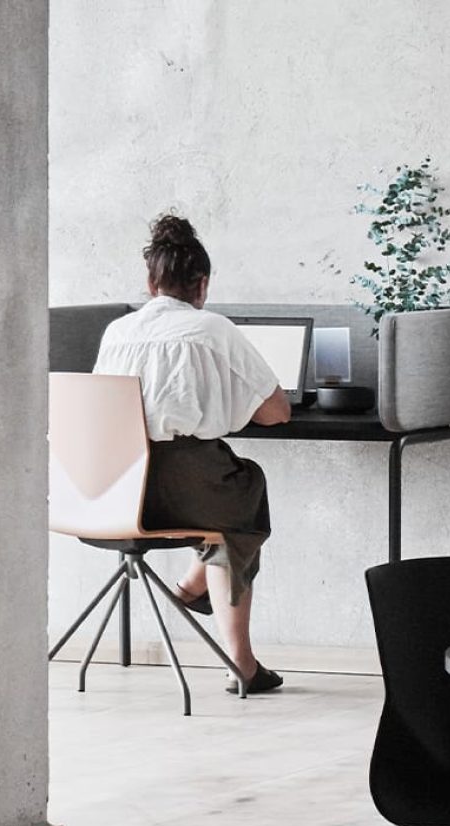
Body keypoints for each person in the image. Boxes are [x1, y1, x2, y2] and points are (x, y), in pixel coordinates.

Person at [93, 214, 290, 694]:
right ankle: (236, 658)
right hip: (184, 484)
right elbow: (277, 412)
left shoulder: (116, 332)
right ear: (201, 284)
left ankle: (193, 591)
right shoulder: (211, 329)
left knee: (230, 507)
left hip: (111, 491)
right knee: (244, 494)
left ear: (150, 282)